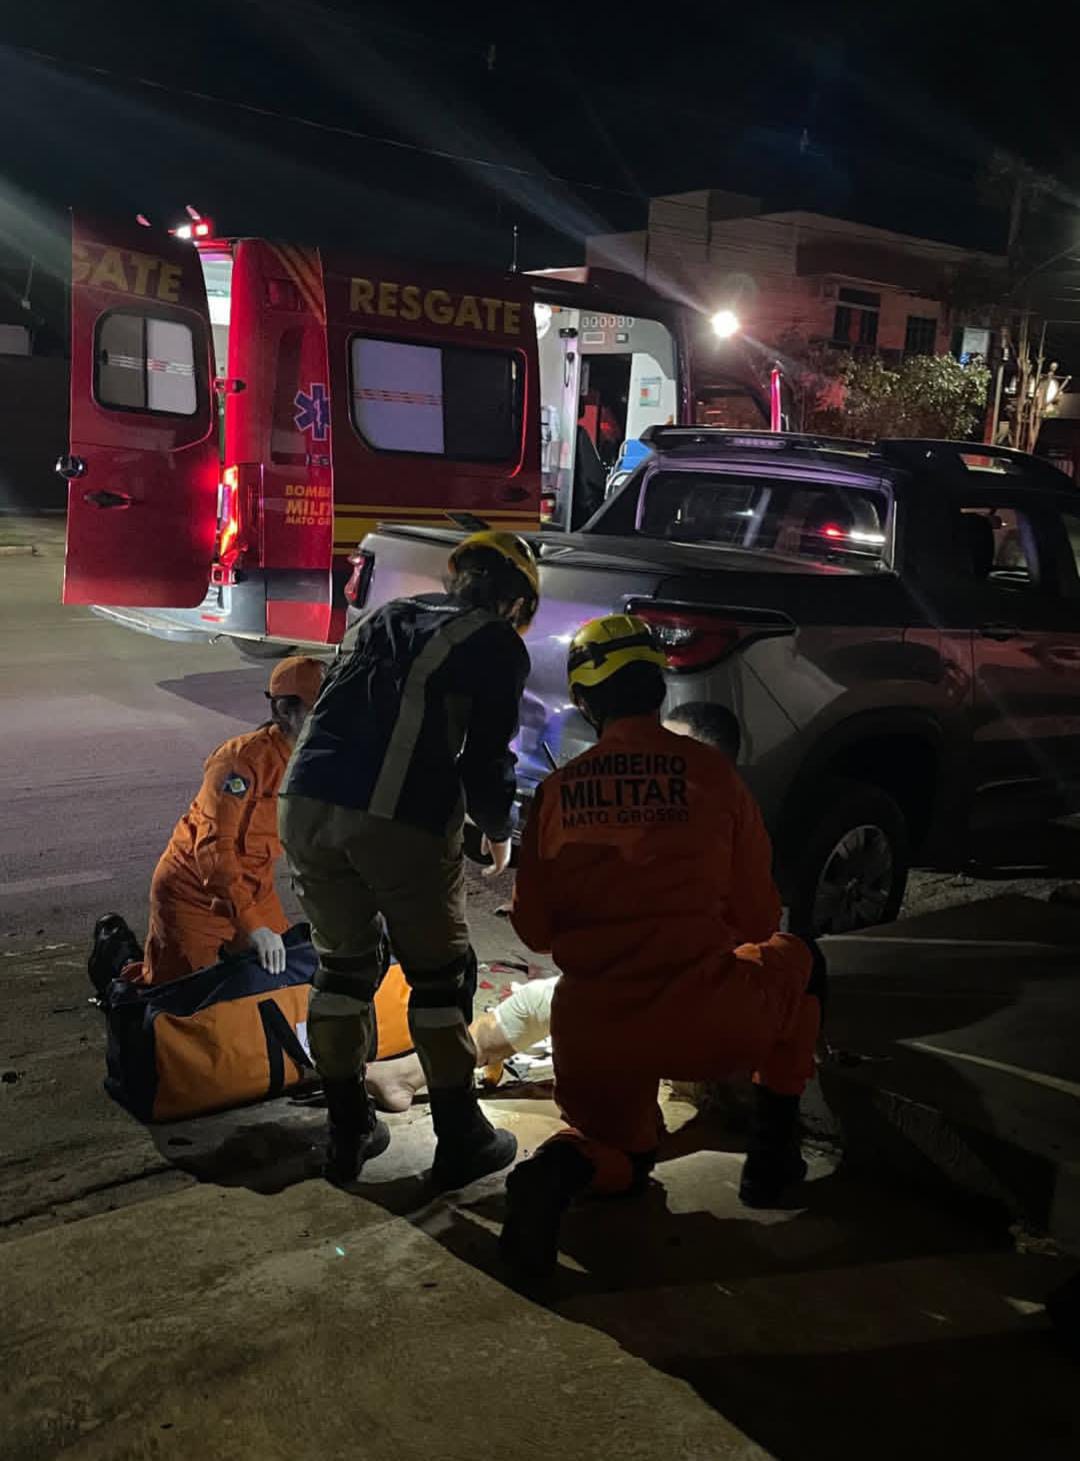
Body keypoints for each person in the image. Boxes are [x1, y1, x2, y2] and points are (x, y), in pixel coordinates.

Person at [499, 614, 825, 1279]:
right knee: (804, 959)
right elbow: (761, 917)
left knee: (622, 1160)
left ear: (586, 702)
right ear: (658, 690)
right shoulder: (712, 775)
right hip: (705, 1021)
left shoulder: (557, 793)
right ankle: (772, 1159)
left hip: (592, 1033)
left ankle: (554, 1173)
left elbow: (534, 929)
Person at [278, 530, 540, 1189]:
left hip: (305, 801)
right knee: (440, 975)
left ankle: (348, 1130)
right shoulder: (495, 640)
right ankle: (460, 1136)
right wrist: (497, 828)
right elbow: (487, 756)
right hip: (396, 813)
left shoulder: (390, 614)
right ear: (515, 601)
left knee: (340, 968)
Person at [90, 657, 327, 992]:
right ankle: (117, 959)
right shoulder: (240, 762)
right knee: (176, 997)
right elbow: (214, 849)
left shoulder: (313, 761)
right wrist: (252, 925)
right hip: (192, 895)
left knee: (281, 979)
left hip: (252, 892)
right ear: (284, 711)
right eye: (318, 711)